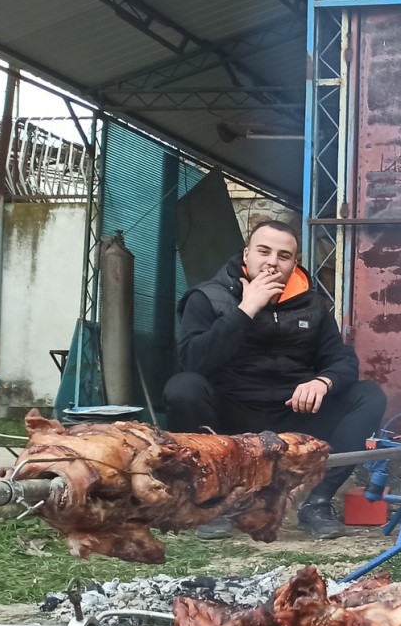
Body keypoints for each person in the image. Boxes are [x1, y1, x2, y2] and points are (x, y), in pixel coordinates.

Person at [164, 218, 387, 541]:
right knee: (182, 388)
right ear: (246, 254)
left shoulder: (312, 305)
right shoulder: (207, 298)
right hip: (229, 416)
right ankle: (207, 501)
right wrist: (245, 310)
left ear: (294, 263)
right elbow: (192, 360)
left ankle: (318, 503)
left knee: (368, 395)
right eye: (264, 251)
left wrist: (323, 382)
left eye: (284, 256)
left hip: (293, 413)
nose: (272, 262)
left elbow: (342, 361)